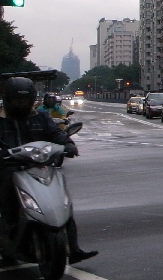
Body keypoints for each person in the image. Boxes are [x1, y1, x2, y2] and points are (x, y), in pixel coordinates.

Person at [0, 77, 97, 263]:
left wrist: (68, 144)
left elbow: (56, 133)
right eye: (18, 100)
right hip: (9, 167)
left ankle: (73, 248)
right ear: (8, 99)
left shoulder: (41, 117)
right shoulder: (1, 119)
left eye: (25, 100)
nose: (22, 104)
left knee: (61, 200)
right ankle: (9, 232)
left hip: (37, 166)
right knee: (6, 187)